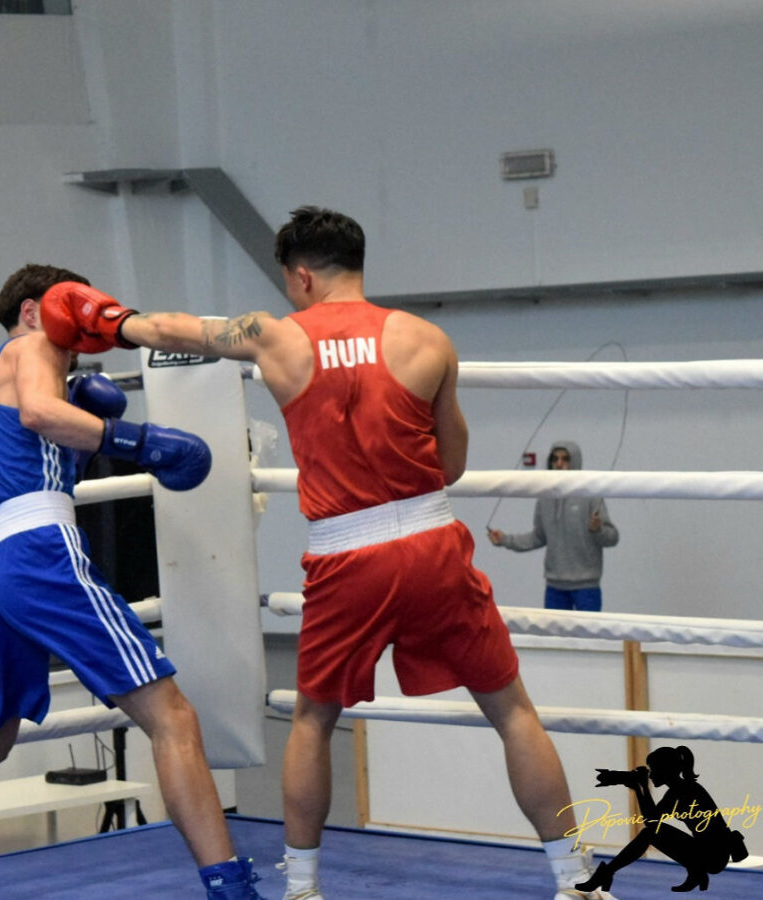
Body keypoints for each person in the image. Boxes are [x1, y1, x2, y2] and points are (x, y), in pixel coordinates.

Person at [40, 206, 616, 900]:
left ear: (301, 276)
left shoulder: (275, 336)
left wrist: (107, 318)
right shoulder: (427, 339)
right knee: (513, 712)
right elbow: (451, 464)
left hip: (348, 557)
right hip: (432, 544)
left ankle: (304, 888)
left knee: (313, 720)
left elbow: (170, 330)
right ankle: (577, 880)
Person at [0, 263, 264, 900]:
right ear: (34, 310)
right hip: (41, 554)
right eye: (72, 312)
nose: (82, 331)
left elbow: (39, 461)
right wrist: (138, 441)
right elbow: (37, 415)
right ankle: (230, 888)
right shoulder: (35, 347)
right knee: (173, 718)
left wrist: (85, 437)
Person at [577, 745, 748, 893]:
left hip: (713, 856)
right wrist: (638, 787)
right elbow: (652, 818)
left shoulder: (682, 791)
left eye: (653, 770)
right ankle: (697, 874)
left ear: (666, 770)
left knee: (649, 833)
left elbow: (651, 820)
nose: (651, 775)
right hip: (710, 851)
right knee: (651, 832)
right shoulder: (683, 788)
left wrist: (641, 787)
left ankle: (606, 874)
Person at [487, 441, 620, 612]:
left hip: (587, 587)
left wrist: (598, 530)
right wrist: (505, 540)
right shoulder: (545, 498)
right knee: (554, 630)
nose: (559, 464)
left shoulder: (590, 495)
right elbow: (538, 537)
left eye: (565, 459)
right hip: (555, 587)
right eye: (555, 459)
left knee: (588, 631)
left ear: (575, 462)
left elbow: (612, 538)